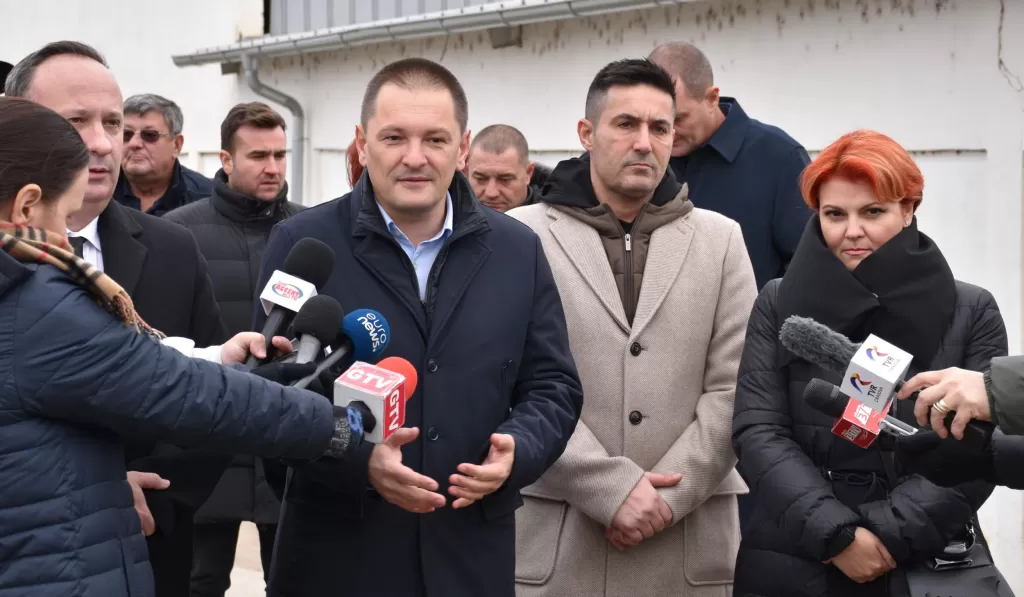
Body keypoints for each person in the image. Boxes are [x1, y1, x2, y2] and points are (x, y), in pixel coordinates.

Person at [0, 95, 371, 597]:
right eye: (63, 219)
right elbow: (181, 392)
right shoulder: (35, 305)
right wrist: (339, 430)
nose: (68, 241)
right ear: (25, 207)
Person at [257, 57, 584, 597]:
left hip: (469, 556)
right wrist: (358, 463)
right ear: (362, 143)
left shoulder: (517, 250)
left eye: (435, 139)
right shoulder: (303, 244)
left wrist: (518, 449)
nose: (415, 157)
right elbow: (269, 399)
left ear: (463, 147)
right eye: (394, 138)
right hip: (336, 558)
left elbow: (554, 386)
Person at [508, 58, 757, 597]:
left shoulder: (722, 241)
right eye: (626, 124)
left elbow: (736, 390)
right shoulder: (517, 237)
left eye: (660, 127)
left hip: (686, 549)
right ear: (586, 133)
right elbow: (508, 380)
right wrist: (608, 488)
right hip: (558, 547)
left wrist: (666, 498)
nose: (644, 143)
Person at [731, 129, 1007, 596]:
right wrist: (835, 535)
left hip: (922, 559)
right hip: (794, 554)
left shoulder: (971, 309)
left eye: (873, 212)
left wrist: (887, 534)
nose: (852, 230)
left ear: (908, 209)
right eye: (834, 214)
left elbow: (984, 448)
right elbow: (758, 430)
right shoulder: (778, 302)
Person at [5, 41, 230, 596]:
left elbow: (214, 400)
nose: (104, 144)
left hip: (157, 550)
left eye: (113, 122)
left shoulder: (175, 248)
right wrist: (99, 493)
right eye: (75, 122)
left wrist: (159, 503)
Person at [164, 101, 303, 597]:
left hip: (284, 444)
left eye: (280, 155)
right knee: (199, 584)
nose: (272, 167)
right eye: (258, 156)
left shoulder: (309, 231)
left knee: (290, 583)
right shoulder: (177, 233)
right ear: (225, 159)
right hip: (207, 444)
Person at [649, 42, 812, 291]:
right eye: (658, 122)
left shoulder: (780, 157)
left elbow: (808, 265)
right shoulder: (643, 156)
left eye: (679, 118)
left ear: (712, 98)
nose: (668, 132)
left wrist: (768, 315)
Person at [116, 93, 212, 216]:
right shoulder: (97, 191)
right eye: (126, 134)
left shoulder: (208, 198)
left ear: (176, 145)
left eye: (149, 135)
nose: (134, 143)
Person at [466, 124, 536, 212]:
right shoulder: (451, 213)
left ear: (528, 173)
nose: (491, 193)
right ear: (467, 172)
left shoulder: (547, 219)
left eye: (505, 180)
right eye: (481, 179)